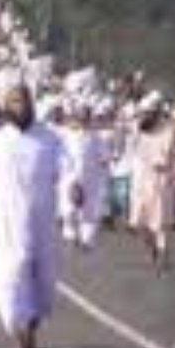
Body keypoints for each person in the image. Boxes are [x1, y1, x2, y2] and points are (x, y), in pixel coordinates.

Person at [0, 80, 62, 348]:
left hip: (42, 225)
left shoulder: (50, 139)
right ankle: (23, 345)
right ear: (7, 107)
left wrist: (74, 187)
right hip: (7, 228)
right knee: (11, 283)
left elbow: (67, 170)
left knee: (41, 288)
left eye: (26, 101)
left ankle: (29, 339)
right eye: (16, 101)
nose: (22, 106)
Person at [129, 93, 175, 274]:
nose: (145, 116)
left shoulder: (169, 131)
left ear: (157, 113)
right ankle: (153, 249)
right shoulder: (137, 129)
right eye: (144, 113)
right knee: (139, 224)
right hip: (140, 181)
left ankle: (163, 258)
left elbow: (172, 155)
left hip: (161, 182)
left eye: (149, 113)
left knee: (161, 224)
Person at [58, 104, 109, 251]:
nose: (82, 121)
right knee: (69, 209)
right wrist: (72, 177)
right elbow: (62, 157)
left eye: (85, 117)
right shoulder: (67, 136)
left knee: (89, 211)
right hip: (69, 178)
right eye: (80, 117)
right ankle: (71, 234)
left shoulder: (96, 137)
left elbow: (104, 158)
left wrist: (103, 170)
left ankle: (87, 241)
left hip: (90, 179)